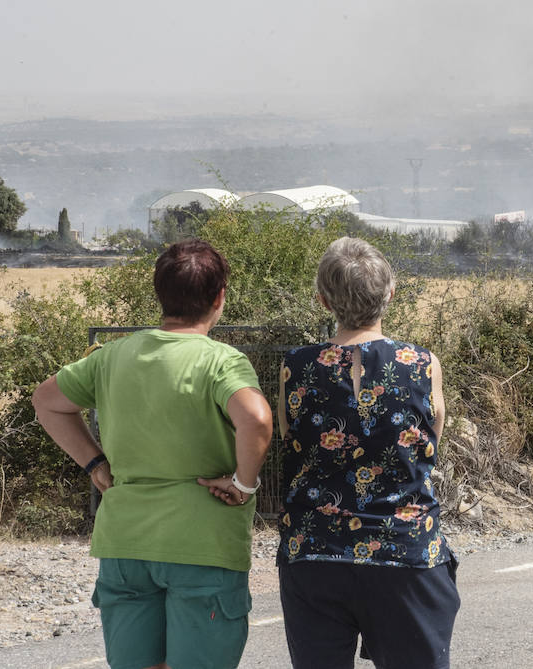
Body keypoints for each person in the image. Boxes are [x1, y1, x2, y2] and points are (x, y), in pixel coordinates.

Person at [32, 238, 274, 669]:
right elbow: (255, 419)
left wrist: (94, 463)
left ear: (160, 294)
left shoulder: (113, 355)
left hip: (126, 543)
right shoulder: (222, 361)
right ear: (219, 298)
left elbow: (47, 401)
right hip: (204, 544)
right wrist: (242, 483)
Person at [277, 236, 458, 669]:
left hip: (315, 550)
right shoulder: (421, 364)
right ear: (390, 293)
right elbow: (431, 437)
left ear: (323, 300)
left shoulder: (296, 365)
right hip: (405, 551)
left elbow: (289, 436)